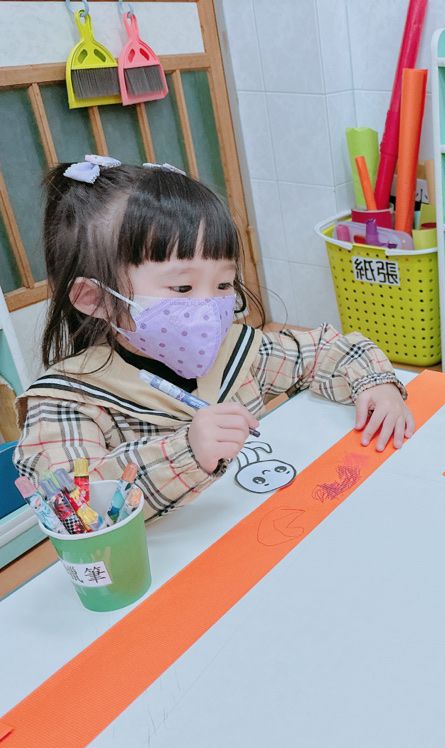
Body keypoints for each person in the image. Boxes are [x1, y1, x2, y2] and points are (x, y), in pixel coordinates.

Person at [15, 156, 414, 517]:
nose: (209, 308)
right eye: (182, 288)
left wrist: (375, 383)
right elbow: (74, 506)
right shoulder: (68, 401)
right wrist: (187, 451)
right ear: (95, 298)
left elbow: (326, 350)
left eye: (223, 284)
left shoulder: (237, 353)